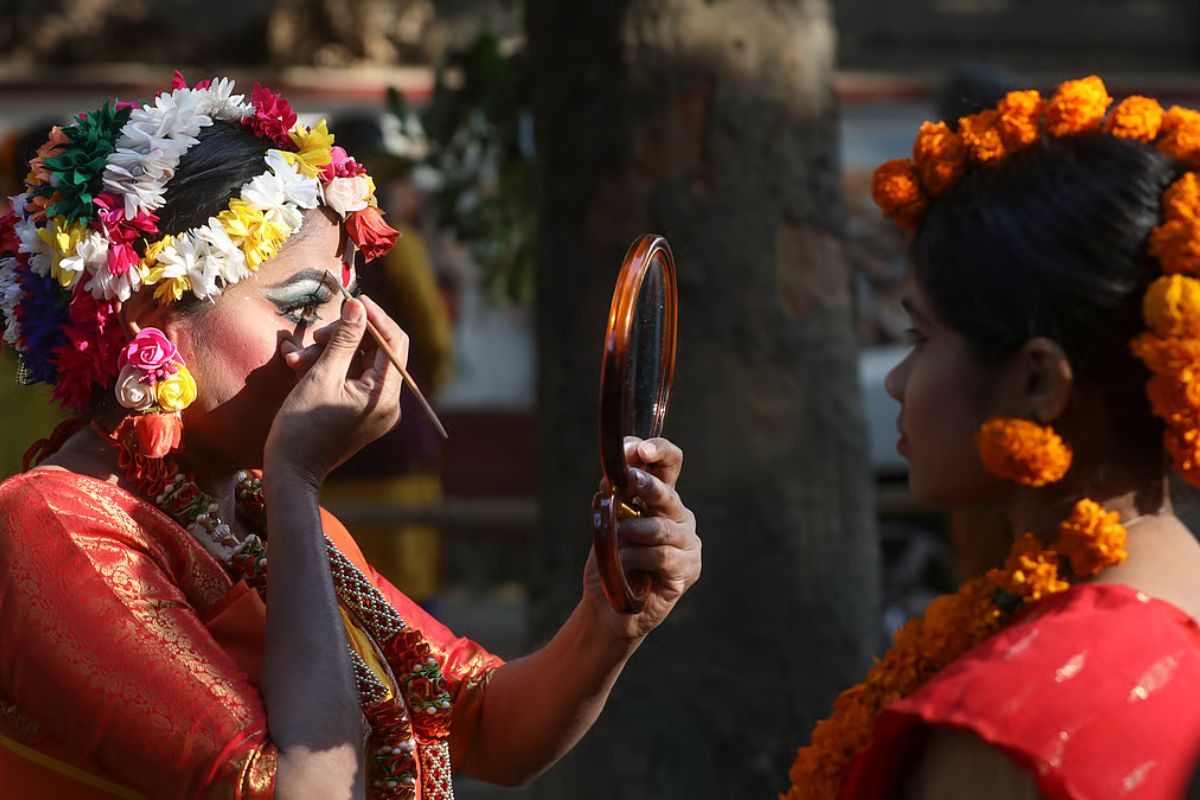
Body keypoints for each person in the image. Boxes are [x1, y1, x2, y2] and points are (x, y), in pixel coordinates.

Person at [0, 74, 702, 799]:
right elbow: (304, 791)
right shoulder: (51, 527)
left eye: (348, 297)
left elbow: (486, 723)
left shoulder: (258, 517)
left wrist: (612, 616)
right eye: (302, 302)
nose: (349, 334)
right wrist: (297, 482)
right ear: (147, 316)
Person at [785, 76, 1200, 798]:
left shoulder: (1015, 711)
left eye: (921, 338)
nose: (895, 381)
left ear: (1039, 383)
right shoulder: (1175, 593)